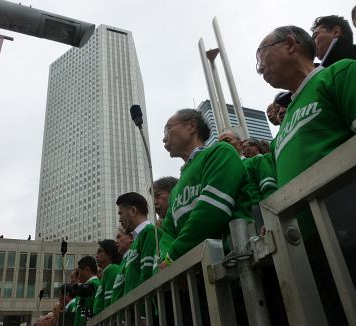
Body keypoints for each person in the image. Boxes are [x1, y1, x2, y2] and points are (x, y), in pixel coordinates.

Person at [257, 25, 356, 324]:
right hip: (306, 245)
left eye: (261, 55)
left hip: (348, 226)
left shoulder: (339, 73)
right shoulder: (285, 124)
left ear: (290, 45)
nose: (259, 67)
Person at [159, 109, 253, 269]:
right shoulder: (175, 190)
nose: (163, 138)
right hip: (194, 275)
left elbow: (212, 210)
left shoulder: (220, 152)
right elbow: (167, 232)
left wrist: (173, 257)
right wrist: (168, 259)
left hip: (234, 264)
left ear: (191, 126)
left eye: (168, 128)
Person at [111, 192, 157, 302]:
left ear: (133, 211)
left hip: (143, 312)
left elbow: (147, 274)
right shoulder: (136, 240)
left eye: (121, 213)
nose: (119, 219)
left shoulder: (150, 231)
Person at [93, 239, 122, 315]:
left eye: (100, 251)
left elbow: (108, 299)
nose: (96, 256)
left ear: (109, 254)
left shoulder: (112, 269)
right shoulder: (107, 271)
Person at [73, 256, 100, 326]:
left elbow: (87, 310)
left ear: (87, 270)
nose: (78, 276)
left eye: (79, 272)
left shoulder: (92, 284)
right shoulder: (93, 284)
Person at [110, 227, 133, 304]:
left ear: (130, 238)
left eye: (119, 237)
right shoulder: (122, 263)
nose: (116, 242)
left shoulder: (133, 257)